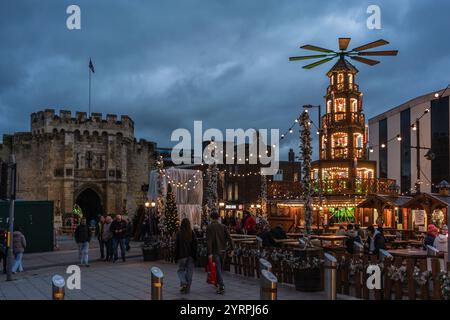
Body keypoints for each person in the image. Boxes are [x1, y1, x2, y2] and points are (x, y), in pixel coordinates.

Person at [206, 209, 234, 294]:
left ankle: (221, 285)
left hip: (215, 251)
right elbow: (230, 238)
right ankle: (218, 283)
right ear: (218, 218)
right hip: (223, 250)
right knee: (219, 268)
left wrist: (209, 253)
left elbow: (209, 241)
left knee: (217, 268)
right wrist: (232, 248)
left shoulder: (210, 227)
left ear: (211, 218)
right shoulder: (223, 226)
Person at [175, 218, 198, 294]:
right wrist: (195, 256)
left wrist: (176, 256)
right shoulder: (191, 233)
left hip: (182, 256)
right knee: (189, 272)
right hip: (190, 256)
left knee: (181, 270)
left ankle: (183, 283)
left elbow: (177, 246)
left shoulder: (179, 233)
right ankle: (187, 289)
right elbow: (195, 245)